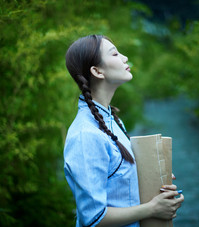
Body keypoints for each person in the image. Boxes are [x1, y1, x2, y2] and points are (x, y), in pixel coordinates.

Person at [64, 34, 184, 227]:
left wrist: (153, 178)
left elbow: (118, 186)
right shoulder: (85, 135)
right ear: (97, 71)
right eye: (115, 54)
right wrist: (153, 209)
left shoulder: (110, 119)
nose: (124, 58)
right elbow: (93, 217)